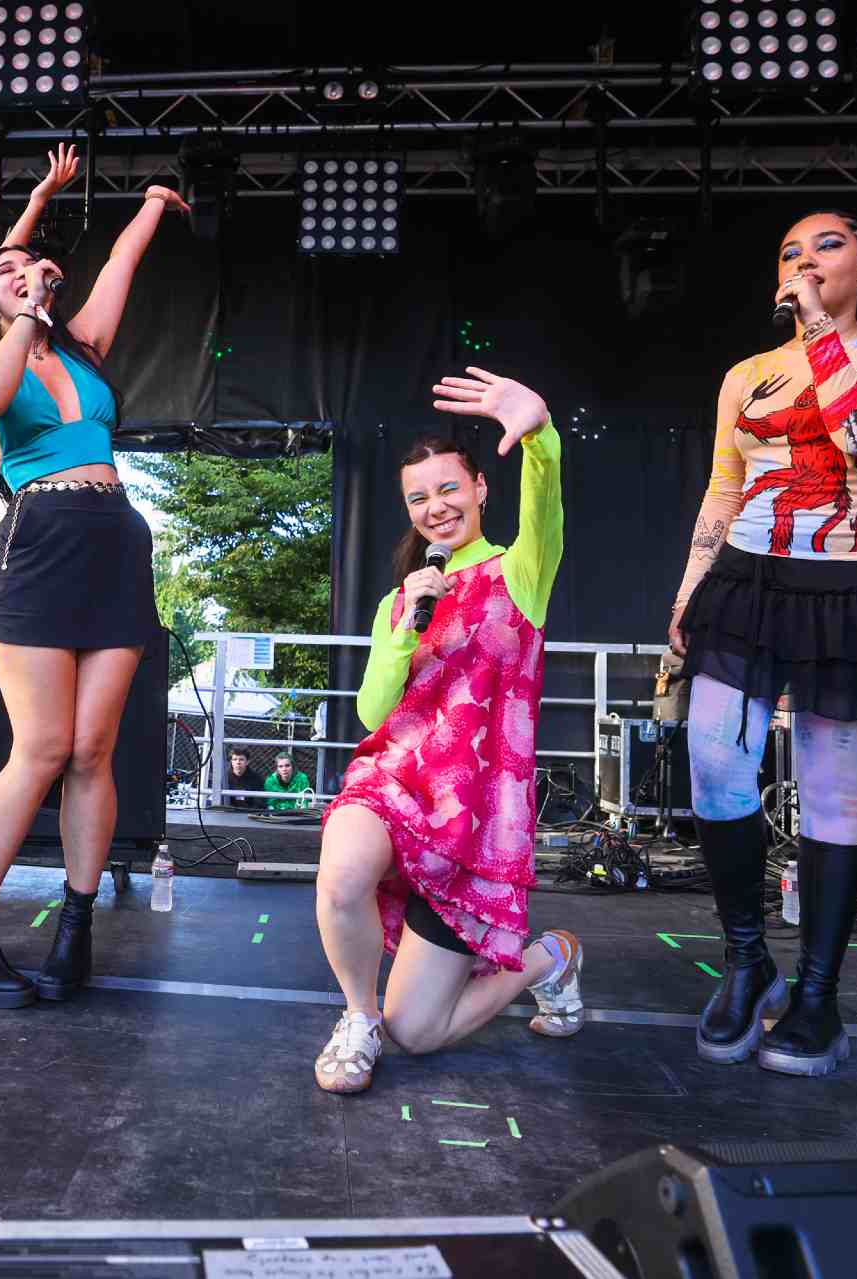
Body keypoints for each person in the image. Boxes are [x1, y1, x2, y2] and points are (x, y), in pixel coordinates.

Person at [670, 210, 857, 1077]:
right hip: (748, 578)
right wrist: (686, 594)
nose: (805, 258)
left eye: (827, 245)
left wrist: (820, 327)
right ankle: (748, 961)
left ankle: (818, 998)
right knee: (714, 761)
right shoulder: (746, 374)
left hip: (854, 585)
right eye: (789, 249)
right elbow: (723, 486)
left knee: (832, 793)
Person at [0, 146, 187, 1008]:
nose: (21, 272)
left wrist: (154, 203)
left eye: (31, 266)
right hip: (40, 540)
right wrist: (26, 297)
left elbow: (118, 263)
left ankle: (76, 929)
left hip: (116, 540)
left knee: (93, 751)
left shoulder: (83, 348)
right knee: (41, 745)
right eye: (4, 270)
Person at [312, 366, 578, 1096]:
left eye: (450, 487)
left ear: (481, 489)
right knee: (340, 880)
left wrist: (540, 434)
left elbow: (545, 506)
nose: (436, 506)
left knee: (421, 1032)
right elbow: (371, 713)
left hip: (472, 823)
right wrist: (403, 629)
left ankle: (548, 958)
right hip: (393, 783)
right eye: (419, 497)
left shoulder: (520, 573)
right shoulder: (404, 596)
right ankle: (357, 1017)